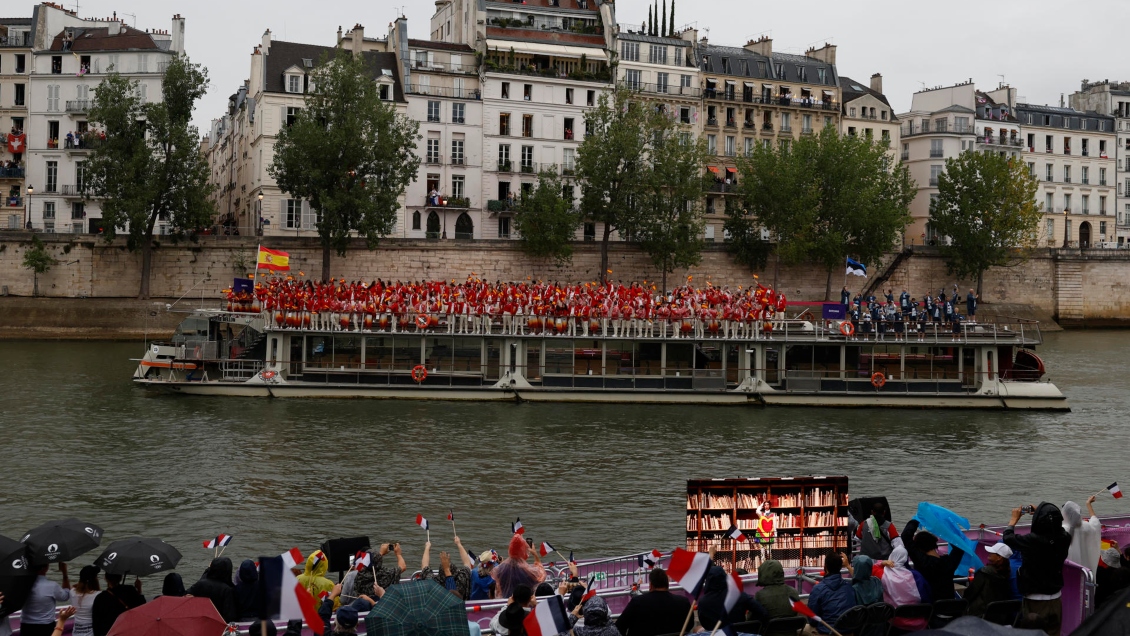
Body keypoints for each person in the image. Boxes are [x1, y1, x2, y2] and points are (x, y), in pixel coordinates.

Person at [1003, 503, 1071, 636]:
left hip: (1035, 599)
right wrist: (1042, 513)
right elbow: (1056, 527)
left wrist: (1013, 520)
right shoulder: (1065, 538)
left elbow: (1008, 538)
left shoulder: (1032, 541)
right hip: (1056, 596)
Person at [614, 568, 693, 636]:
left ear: (651, 585)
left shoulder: (637, 602)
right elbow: (689, 625)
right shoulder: (683, 602)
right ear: (667, 584)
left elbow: (619, 627)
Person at [901, 519, 964, 601]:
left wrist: (916, 520)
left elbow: (906, 537)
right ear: (934, 543)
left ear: (919, 548)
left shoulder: (922, 562)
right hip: (950, 606)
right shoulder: (948, 563)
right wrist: (946, 531)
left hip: (929, 608)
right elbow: (959, 547)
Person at [696, 565, 767, 632]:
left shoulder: (702, 602)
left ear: (708, 580)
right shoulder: (739, 595)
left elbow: (704, 622)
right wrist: (749, 626)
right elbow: (762, 612)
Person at [881, 545, 927, 632]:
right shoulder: (916, 576)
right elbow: (926, 597)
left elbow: (870, 568)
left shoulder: (883, 574)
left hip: (894, 622)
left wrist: (883, 563)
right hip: (918, 623)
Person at [804, 554, 855, 633]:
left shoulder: (818, 589)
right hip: (848, 632)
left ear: (825, 567)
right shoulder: (849, 587)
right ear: (841, 567)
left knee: (802, 630)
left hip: (826, 632)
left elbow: (812, 619)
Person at [964, 543, 1014, 617]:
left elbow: (971, 592)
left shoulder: (984, 572)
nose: (989, 553)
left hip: (979, 614)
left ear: (999, 557)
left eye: (992, 552)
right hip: (998, 616)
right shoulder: (1007, 573)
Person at [21, 563, 71, 636]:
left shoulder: (23, 585)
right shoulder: (52, 586)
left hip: (26, 626)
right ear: (46, 568)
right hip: (46, 626)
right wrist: (64, 573)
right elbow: (65, 596)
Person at [491, 534, 546, 599]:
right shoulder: (527, 571)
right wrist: (535, 555)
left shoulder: (500, 569)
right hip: (524, 603)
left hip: (506, 602)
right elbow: (541, 575)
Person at [187, 557, 238, 623]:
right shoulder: (227, 590)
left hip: (200, 621)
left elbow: (186, 596)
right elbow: (229, 615)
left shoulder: (200, 584)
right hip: (218, 624)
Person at [1062, 496, 1102, 571]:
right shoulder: (1086, 526)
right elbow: (1095, 523)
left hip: (1070, 569)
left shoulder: (1063, 529)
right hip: (1085, 569)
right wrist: (1088, 504)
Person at [70, 566, 101, 636]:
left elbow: (74, 587)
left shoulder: (72, 592)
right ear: (95, 579)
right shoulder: (98, 595)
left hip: (76, 633)